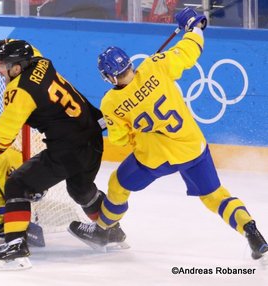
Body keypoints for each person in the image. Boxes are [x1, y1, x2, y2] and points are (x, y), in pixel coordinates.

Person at [69, 7, 268, 262]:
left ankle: (103, 230)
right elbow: (189, 52)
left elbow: (119, 139)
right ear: (129, 62)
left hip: (155, 158)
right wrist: (196, 27)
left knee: (118, 184)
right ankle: (251, 230)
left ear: (108, 76)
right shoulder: (155, 66)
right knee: (215, 195)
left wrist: (128, 129)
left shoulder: (111, 103)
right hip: (191, 147)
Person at [0, 38, 127, 270]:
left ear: (17, 68)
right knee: (79, 188)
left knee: (18, 184)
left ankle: (15, 247)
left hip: (69, 149)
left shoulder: (20, 92)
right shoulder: (40, 61)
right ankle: (110, 231)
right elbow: (20, 43)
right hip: (93, 136)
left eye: (3, 64)